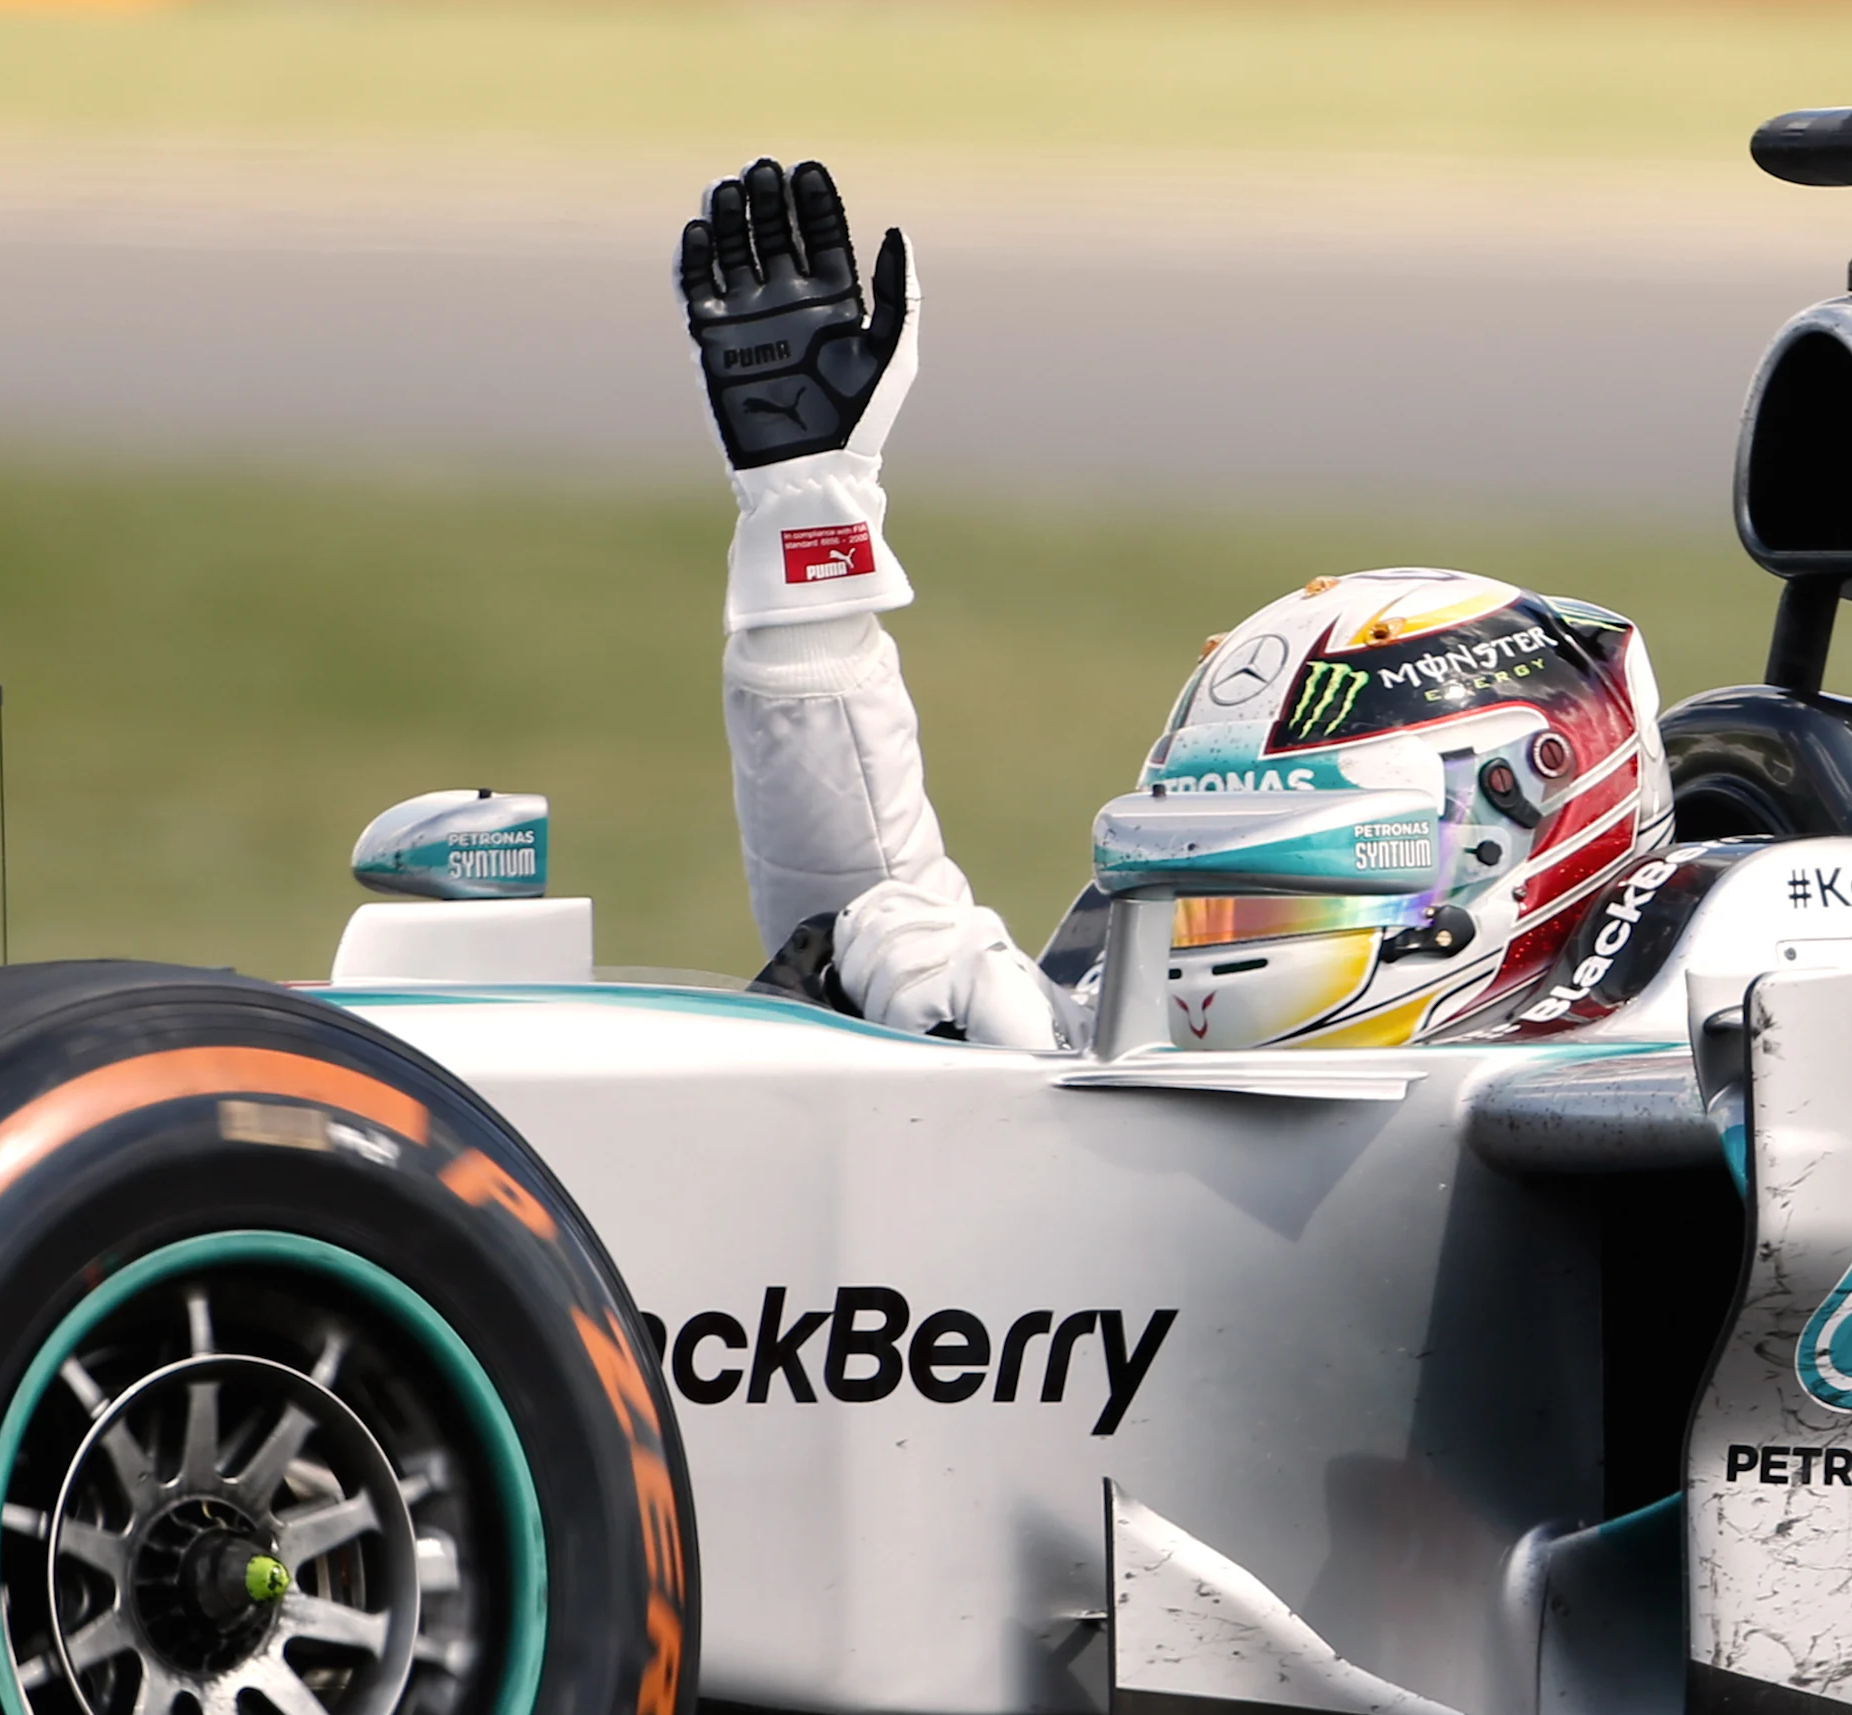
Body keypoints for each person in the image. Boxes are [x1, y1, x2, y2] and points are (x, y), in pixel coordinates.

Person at [679, 159, 1674, 1049]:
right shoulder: (1111, 1037)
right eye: (1197, 879)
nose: (1215, 933)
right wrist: (805, 511)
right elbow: (877, 926)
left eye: (1282, 884)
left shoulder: (1686, 1104)